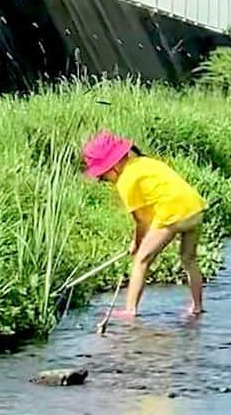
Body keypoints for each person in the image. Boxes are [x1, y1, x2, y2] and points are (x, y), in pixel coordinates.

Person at [83, 131, 206, 319]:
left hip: (173, 213)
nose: (104, 180)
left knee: (141, 260)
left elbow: (141, 221)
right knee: (189, 259)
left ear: (114, 165)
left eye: (103, 175)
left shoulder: (126, 181)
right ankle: (197, 307)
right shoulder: (144, 162)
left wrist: (137, 243)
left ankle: (130, 310)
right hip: (195, 210)